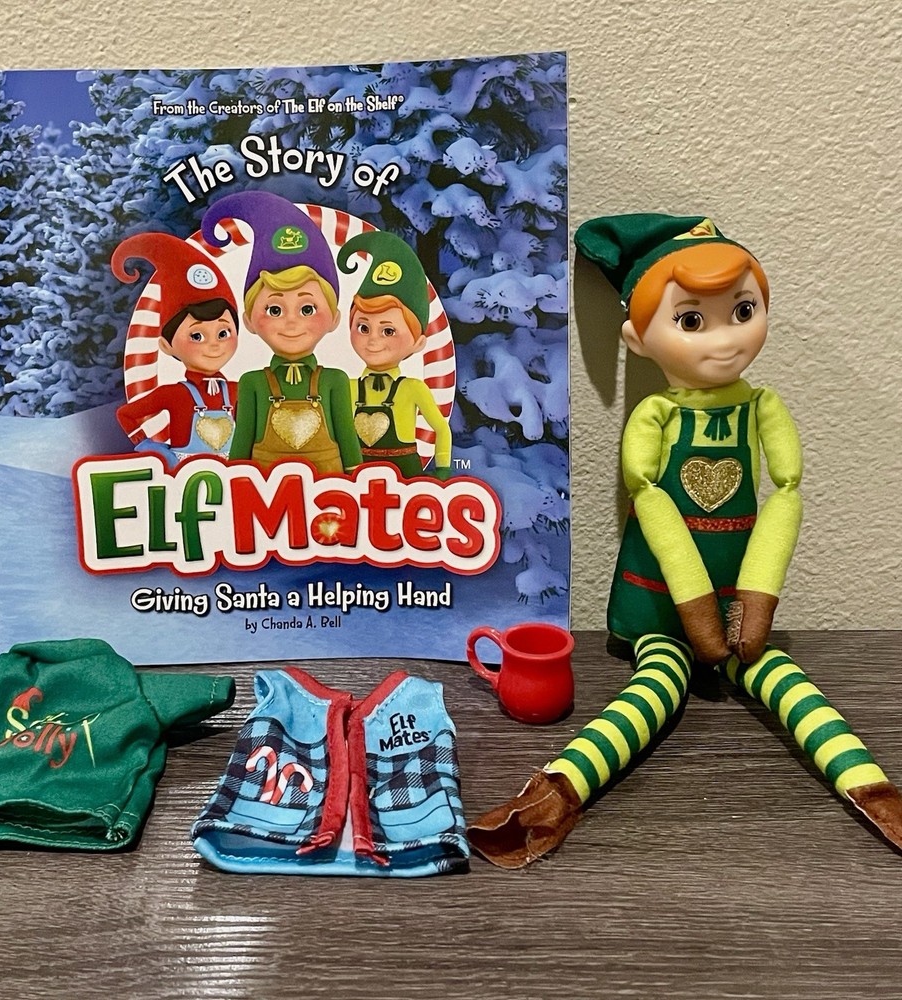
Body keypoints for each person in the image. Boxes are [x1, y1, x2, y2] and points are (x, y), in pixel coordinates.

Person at [468, 214, 902, 867]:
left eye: (743, 311)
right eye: (692, 321)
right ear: (637, 339)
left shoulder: (762, 407)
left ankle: (875, 792)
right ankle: (553, 794)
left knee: (786, 678)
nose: (724, 340)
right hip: (664, 614)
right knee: (654, 690)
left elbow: (786, 493)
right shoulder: (657, 415)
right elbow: (650, 498)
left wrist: (755, 602)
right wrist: (697, 616)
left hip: (737, 614)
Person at [200, 191, 361, 475]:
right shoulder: (252, 383)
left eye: (308, 309)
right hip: (265, 490)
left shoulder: (335, 380)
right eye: (274, 310)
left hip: (330, 490)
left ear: (334, 319)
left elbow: (348, 440)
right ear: (249, 321)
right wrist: (234, 482)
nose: (291, 322)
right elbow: (242, 443)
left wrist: (359, 480)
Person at [114, 232, 239, 466]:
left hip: (231, 473)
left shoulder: (236, 391)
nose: (214, 344)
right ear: (166, 345)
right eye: (196, 335)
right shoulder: (173, 394)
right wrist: (149, 446)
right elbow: (126, 414)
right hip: (185, 474)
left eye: (223, 333)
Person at [338, 230, 451, 480]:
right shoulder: (347, 387)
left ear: (418, 343)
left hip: (405, 474)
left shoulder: (413, 388)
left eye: (388, 331)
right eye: (363, 328)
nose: (373, 340)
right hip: (356, 475)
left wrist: (443, 470)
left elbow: (441, 428)